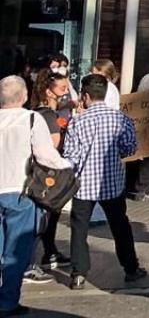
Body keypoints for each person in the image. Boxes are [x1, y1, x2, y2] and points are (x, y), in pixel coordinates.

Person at [62, 75, 145, 289]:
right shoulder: (121, 119)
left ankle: (78, 273)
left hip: (83, 185)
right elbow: (130, 148)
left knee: (79, 229)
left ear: (85, 96)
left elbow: (71, 155)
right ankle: (131, 268)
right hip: (113, 183)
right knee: (120, 226)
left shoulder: (78, 121)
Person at [0, 75, 72, 316]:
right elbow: (45, 155)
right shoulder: (32, 119)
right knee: (16, 252)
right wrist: (68, 166)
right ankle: (8, 302)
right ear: (23, 96)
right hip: (20, 192)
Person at [23, 73, 70, 283]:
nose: (66, 92)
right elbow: (52, 147)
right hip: (47, 175)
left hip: (34, 175)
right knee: (44, 218)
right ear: (48, 92)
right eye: (62, 89)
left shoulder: (35, 113)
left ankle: (48, 252)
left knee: (46, 217)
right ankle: (33, 262)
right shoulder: (48, 117)